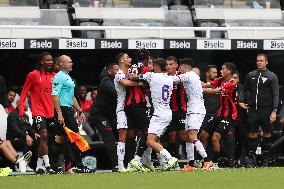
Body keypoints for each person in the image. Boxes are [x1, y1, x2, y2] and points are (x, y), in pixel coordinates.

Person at [128, 58, 178, 171]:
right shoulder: (170, 78)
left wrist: (126, 72)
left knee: (150, 141)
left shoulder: (151, 75)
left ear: (155, 66)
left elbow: (132, 77)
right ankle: (161, 163)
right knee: (154, 140)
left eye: (152, 65)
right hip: (166, 112)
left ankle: (170, 159)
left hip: (159, 115)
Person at [18, 52, 55, 174]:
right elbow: (23, 92)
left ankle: (39, 166)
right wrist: (21, 110)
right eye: (48, 60)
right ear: (42, 62)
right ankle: (48, 165)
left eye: (51, 60)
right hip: (38, 111)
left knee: (47, 139)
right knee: (43, 135)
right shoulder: (33, 75)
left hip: (51, 112)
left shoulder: (55, 76)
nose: (50, 62)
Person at [239, 53, 279, 166]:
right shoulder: (250, 75)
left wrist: (274, 111)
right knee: (252, 133)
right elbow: (244, 89)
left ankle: (267, 158)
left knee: (266, 133)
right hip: (253, 110)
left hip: (267, 110)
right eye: (257, 60)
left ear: (266, 62)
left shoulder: (272, 76)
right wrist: (241, 101)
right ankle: (251, 159)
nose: (259, 62)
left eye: (261, 60)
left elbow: (276, 94)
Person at [172, 61, 213, 171]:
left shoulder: (189, 75)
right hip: (192, 109)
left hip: (196, 110)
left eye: (179, 68)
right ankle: (190, 164)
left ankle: (207, 160)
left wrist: (158, 78)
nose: (178, 70)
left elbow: (173, 80)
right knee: (188, 138)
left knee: (191, 136)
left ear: (185, 67)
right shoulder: (194, 76)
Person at [52, 55, 87, 174]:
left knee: (60, 139)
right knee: (76, 137)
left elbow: (72, 97)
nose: (71, 64)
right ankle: (77, 165)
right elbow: (55, 96)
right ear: (61, 64)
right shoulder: (58, 77)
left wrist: (80, 110)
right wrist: (59, 113)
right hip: (63, 110)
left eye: (71, 62)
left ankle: (53, 167)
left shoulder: (68, 77)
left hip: (68, 110)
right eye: (68, 62)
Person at [202, 62, 238, 167]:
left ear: (229, 71)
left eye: (222, 69)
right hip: (220, 113)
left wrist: (197, 89)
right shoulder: (220, 80)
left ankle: (215, 164)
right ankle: (204, 161)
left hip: (230, 115)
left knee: (215, 137)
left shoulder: (232, 83)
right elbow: (206, 84)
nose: (220, 71)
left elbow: (213, 91)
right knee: (203, 136)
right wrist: (194, 83)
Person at [89, 63, 119, 171]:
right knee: (109, 138)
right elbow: (117, 93)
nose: (118, 71)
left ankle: (129, 162)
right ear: (110, 72)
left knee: (125, 134)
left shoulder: (117, 80)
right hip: (100, 115)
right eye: (116, 70)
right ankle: (116, 165)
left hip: (111, 115)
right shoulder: (105, 82)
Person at [114, 53, 141, 171]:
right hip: (122, 109)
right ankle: (120, 166)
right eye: (127, 57)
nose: (130, 59)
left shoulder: (129, 73)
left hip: (131, 108)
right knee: (123, 135)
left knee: (133, 135)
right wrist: (142, 82)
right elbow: (125, 83)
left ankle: (132, 163)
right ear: (121, 61)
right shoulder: (119, 74)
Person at [165, 57, 187, 159]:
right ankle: (174, 156)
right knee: (172, 135)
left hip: (180, 109)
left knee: (183, 135)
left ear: (176, 65)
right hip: (168, 110)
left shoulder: (181, 76)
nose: (168, 67)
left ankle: (189, 156)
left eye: (171, 64)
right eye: (167, 65)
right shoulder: (163, 77)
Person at [199, 65, 219, 159]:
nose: (216, 74)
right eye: (213, 72)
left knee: (214, 139)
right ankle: (203, 160)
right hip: (204, 116)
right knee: (202, 138)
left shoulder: (220, 85)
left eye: (216, 72)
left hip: (216, 116)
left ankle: (213, 161)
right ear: (207, 73)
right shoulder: (201, 84)